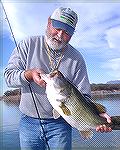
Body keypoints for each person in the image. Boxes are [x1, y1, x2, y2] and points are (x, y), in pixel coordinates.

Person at [4, 7, 112, 150]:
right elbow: (8, 76)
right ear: (49, 23)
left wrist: (98, 114)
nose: (60, 35)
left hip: (61, 125)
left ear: (72, 35)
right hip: (28, 123)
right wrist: (28, 75)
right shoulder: (27, 45)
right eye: (58, 27)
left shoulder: (77, 59)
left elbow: (84, 96)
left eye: (67, 32)